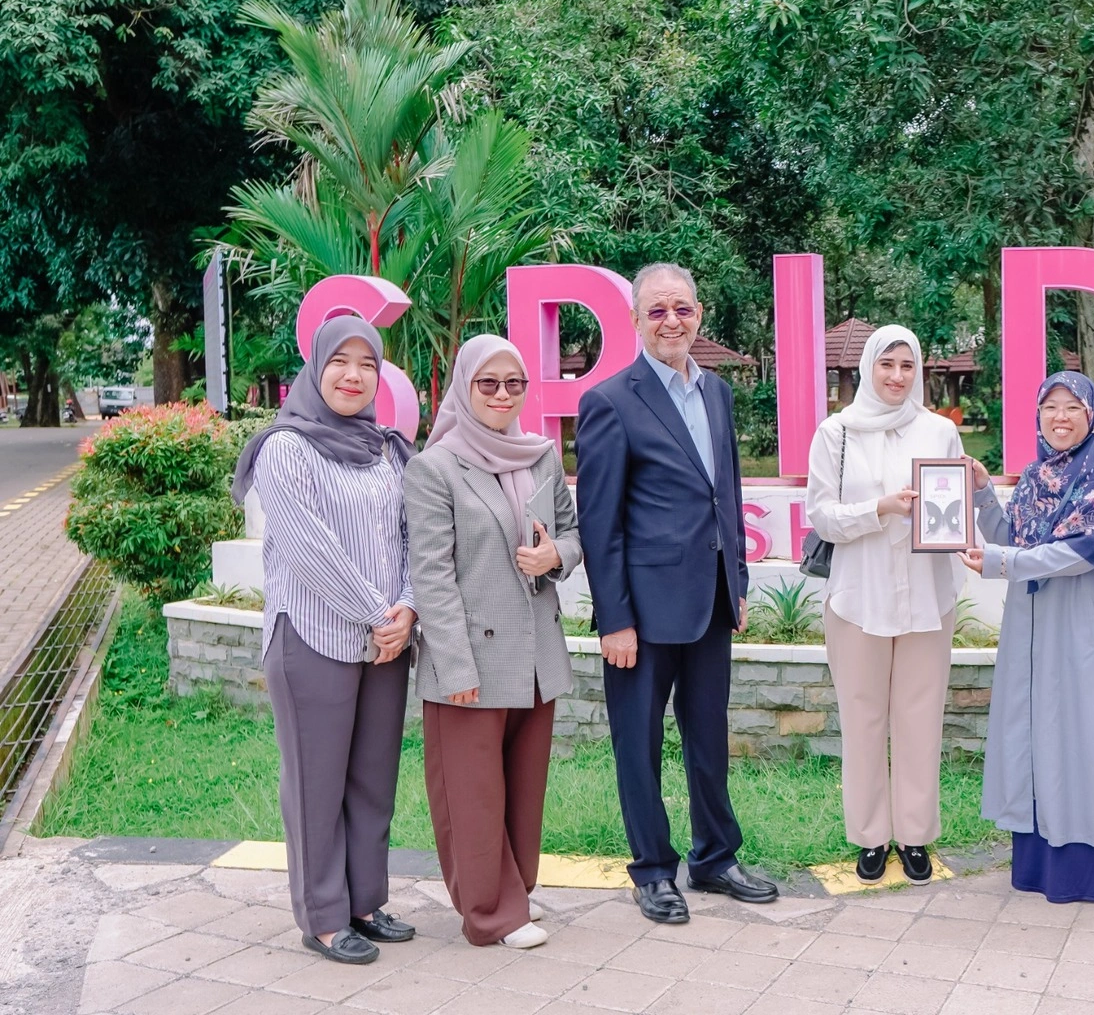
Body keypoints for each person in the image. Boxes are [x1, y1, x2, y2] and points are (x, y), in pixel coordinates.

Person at [575, 262, 778, 925]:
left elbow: (728, 494)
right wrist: (614, 619)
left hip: (711, 602)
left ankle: (715, 857)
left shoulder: (716, 393)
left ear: (699, 315)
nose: (671, 321)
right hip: (641, 613)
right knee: (638, 745)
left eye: (682, 309)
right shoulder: (610, 401)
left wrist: (737, 580)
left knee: (709, 739)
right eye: (658, 310)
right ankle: (653, 871)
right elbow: (600, 523)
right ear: (636, 319)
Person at [230, 316, 418, 965]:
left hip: (387, 641)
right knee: (317, 785)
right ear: (315, 368)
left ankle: (365, 903)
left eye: (368, 364)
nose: (353, 375)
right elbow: (310, 548)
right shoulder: (285, 448)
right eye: (340, 361)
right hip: (313, 637)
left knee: (372, 781)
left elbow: (412, 536)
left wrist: (408, 609)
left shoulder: (387, 449)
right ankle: (324, 917)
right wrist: (378, 613)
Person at [406, 335, 581, 949]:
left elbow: (571, 531)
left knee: (524, 788)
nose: (503, 394)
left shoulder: (540, 456)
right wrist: (455, 665)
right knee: (472, 795)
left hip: (534, 655)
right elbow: (432, 575)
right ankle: (490, 914)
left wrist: (556, 555)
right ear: (464, 387)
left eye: (514, 383)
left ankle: (517, 895)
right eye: (488, 383)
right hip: (471, 659)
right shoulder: (435, 468)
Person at [961, 371, 1094, 903]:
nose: (1060, 417)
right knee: (1039, 733)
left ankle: (1087, 871)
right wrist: (983, 494)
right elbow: (1013, 539)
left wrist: (1001, 563)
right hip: (1035, 627)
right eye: (1050, 406)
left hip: (1087, 626)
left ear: (1093, 416)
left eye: (1072, 407)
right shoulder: (1034, 476)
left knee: (1086, 734)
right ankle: (1038, 863)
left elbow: (1080, 553)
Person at [805, 325, 973, 885]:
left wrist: (961, 502)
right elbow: (821, 516)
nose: (897, 376)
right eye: (887, 364)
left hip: (927, 595)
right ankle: (871, 837)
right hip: (859, 596)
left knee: (920, 719)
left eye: (907, 365)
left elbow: (951, 509)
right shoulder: (837, 432)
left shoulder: (939, 432)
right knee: (863, 719)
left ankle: (915, 835)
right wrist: (880, 508)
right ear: (868, 368)